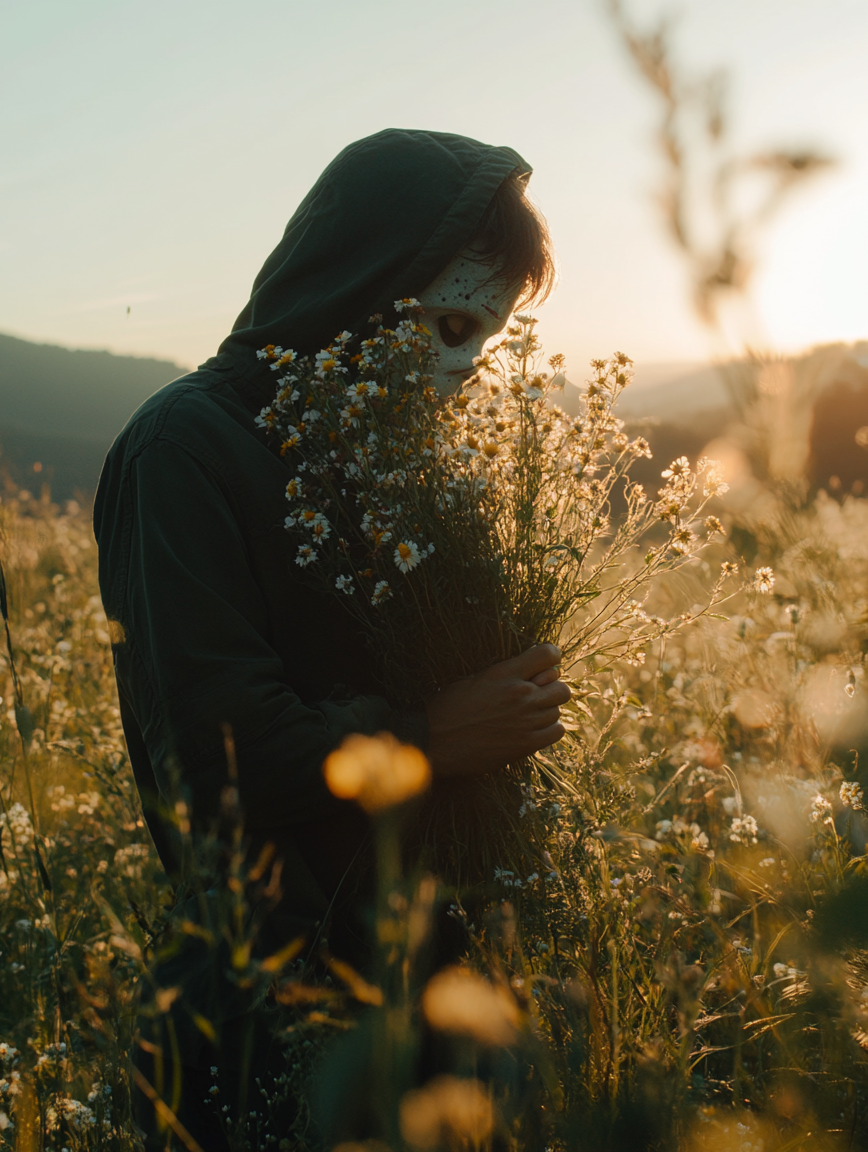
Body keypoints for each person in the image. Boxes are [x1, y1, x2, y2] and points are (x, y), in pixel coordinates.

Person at [93, 128, 571, 1149]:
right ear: (358, 282)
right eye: (441, 322)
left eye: (478, 341)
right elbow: (215, 756)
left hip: (432, 991)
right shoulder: (188, 444)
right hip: (267, 1005)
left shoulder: (404, 464)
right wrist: (435, 737)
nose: (459, 372)